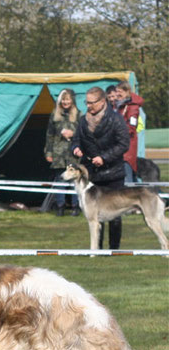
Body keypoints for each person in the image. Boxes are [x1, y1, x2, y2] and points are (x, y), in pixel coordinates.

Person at [72, 86, 129, 249]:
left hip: (113, 174)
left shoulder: (116, 119)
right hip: (93, 175)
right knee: (95, 213)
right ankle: (98, 249)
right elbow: (77, 140)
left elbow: (124, 144)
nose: (88, 106)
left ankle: (114, 249)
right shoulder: (83, 120)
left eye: (92, 103)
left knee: (115, 215)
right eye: (87, 102)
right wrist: (75, 148)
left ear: (102, 101)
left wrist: (104, 157)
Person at [43, 88, 82, 216]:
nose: (65, 102)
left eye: (68, 99)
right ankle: (60, 206)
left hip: (73, 152)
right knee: (60, 180)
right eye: (63, 99)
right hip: (58, 153)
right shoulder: (55, 114)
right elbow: (50, 135)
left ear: (72, 100)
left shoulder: (79, 115)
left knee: (74, 180)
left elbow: (84, 134)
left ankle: (75, 207)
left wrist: (73, 133)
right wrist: (48, 152)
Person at [115, 80, 145, 184]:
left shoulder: (132, 108)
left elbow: (131, 128)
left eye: (120, 92)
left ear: (127, 92)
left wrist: (115, 133)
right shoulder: (119, 106)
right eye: (116, 92)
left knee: (127, 179)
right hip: (118, 147)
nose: (117, 94)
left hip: (127, 149)